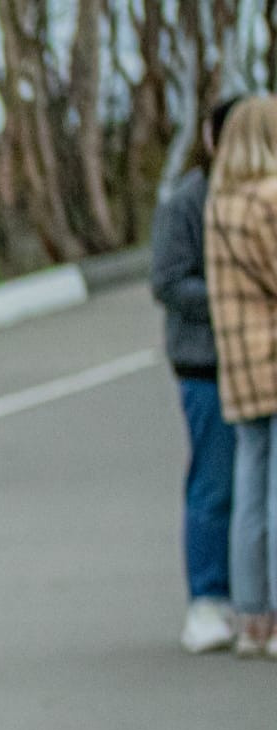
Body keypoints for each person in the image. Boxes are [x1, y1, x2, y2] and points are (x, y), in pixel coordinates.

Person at [159, 97, 249, 654]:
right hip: (206, 363)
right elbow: (167, 281)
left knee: (257, 484)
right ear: (213, 140)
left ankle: (252, 597)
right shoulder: (188, 201)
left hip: (257, 359)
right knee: (215, 482)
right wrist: (235, 298)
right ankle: (208, 599)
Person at [208, 94, 277, 657]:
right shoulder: (270, 198)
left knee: (250, 491)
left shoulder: (220, 202)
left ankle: (251, 616)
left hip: (238, 363)